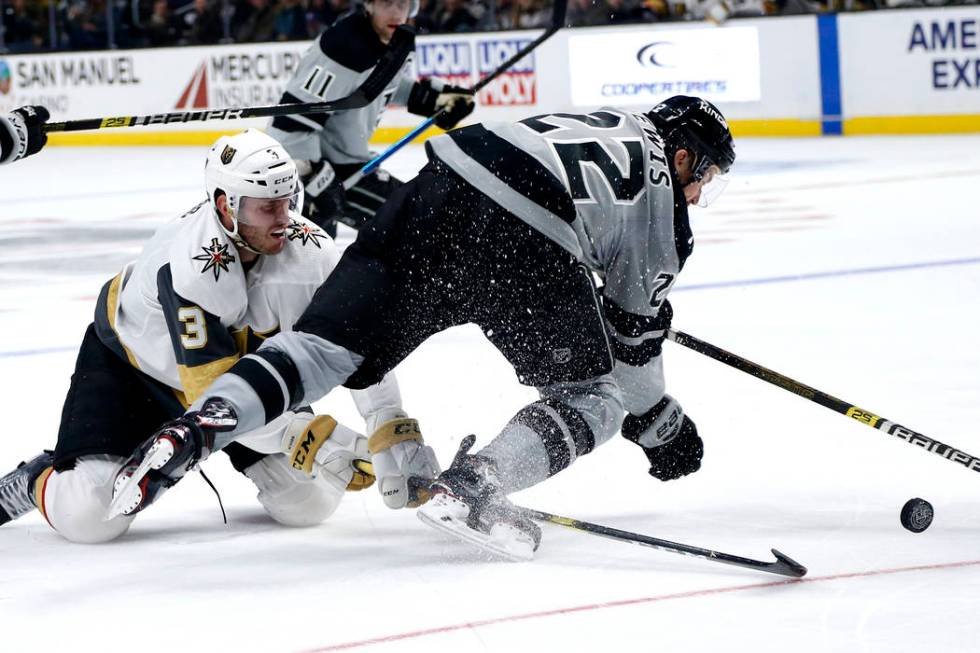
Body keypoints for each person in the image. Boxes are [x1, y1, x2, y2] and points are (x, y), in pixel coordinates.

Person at [112, 96, 736, 560]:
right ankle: (475, 484)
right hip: (521, 235)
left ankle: (203, 424)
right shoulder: (665, 206)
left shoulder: (605, 120)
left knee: (329, 348)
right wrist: (661, 427)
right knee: (593, 399)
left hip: (442, 182)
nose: (700, 195)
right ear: (683, 155)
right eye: (703, 177)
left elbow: (575, 207)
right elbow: (633, 354)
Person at [0, 129, 436, 543]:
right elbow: (212, 396)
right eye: (267, 208)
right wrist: (304, 435)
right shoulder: (189, 264)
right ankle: (41, 476)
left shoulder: (312, 254)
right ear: (226, 206)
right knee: (90, 517)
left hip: (236, 379)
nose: (284, 220)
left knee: (309, 503)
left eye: (288, 202)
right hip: (134, 371)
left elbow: (355, 341)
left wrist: (386, 420)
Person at [265, 0, 475, 237]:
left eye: (403, 4)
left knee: (421, 222)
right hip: (315, 170)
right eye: (387, 3)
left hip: (348, 164)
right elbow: (293, 120)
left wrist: (429, 97)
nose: (396, 12)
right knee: (414, 226)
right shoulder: (344, 45)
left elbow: (376, 85)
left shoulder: (395, 39)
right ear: (369, 5)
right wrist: (310, 178)